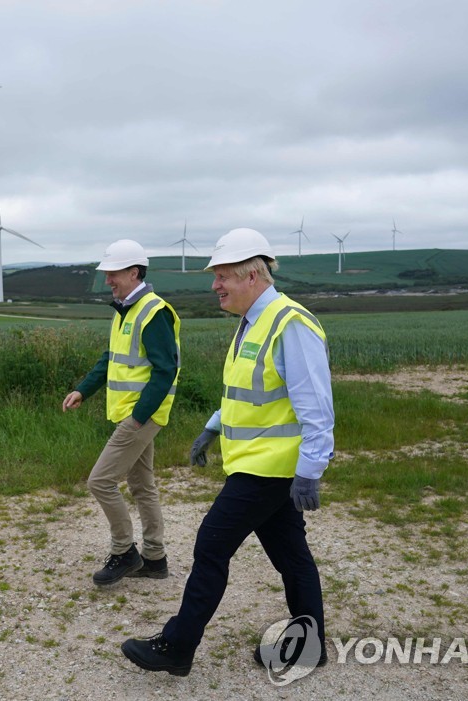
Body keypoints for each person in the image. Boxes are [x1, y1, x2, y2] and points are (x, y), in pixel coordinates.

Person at [121, 227, 334, 676]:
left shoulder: (290, 323)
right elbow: (247, 392)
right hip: (256, 464)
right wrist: (213, 427)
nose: (215, 285)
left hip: (270, 470)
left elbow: (316, 407)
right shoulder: (253, 322)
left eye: (223, 276)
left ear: (253, 275)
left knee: (211, 545)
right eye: (216, 276)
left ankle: (177, 647)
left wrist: (311, 470)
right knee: (292, 556)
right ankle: (308, 643)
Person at [62, 239, 182, 586]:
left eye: (113, 273)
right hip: (131, 413)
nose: (107, 280)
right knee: (142, 485)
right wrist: (83, 389)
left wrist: (141, 416)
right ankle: (155, 559)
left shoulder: (153, 311)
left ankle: (123, 552)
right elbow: (110, 358)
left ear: (134, 272)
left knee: (100, 481)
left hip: (140, 415)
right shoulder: (126, 309)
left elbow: (165, 370)